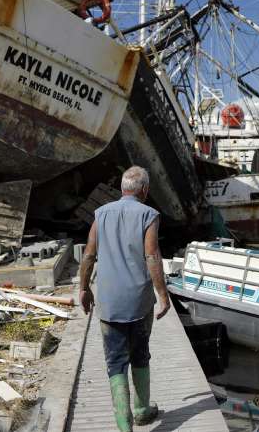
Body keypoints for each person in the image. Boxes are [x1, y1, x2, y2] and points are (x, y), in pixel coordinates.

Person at [78, 166, 171, 432]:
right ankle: (142, 411)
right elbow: (151, 256)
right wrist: (163, 295)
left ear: (122, 189)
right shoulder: (149, 215)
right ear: (145, 190)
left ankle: (124, 423)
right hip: (140, 302)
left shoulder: (101, 214)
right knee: (140, 352)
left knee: (115, 360)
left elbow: (88, 255)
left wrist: (84, 288)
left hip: (108, 301)